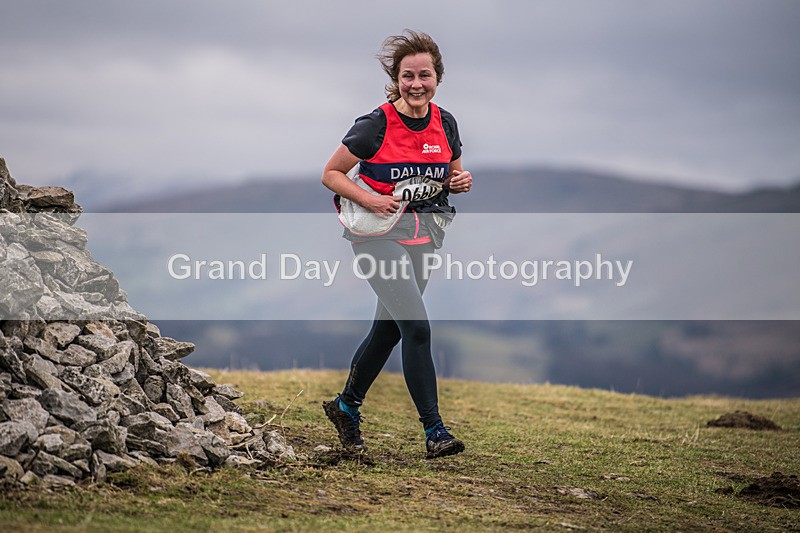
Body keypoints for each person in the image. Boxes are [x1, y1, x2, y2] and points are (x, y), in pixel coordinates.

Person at [321, 30, 473, 459]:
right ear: (397, 79)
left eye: (425, 75)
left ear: (437, 78)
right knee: (417, 328)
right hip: (374, 235)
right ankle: (435, 431)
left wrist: (460, 182)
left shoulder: (445, 123)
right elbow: (331, 173)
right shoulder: (375, 124)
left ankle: (346, 405)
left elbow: (450, 174)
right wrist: (370, 198)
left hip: (423, 234)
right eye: (408, 76)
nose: (417, 83)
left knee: (389, 330)